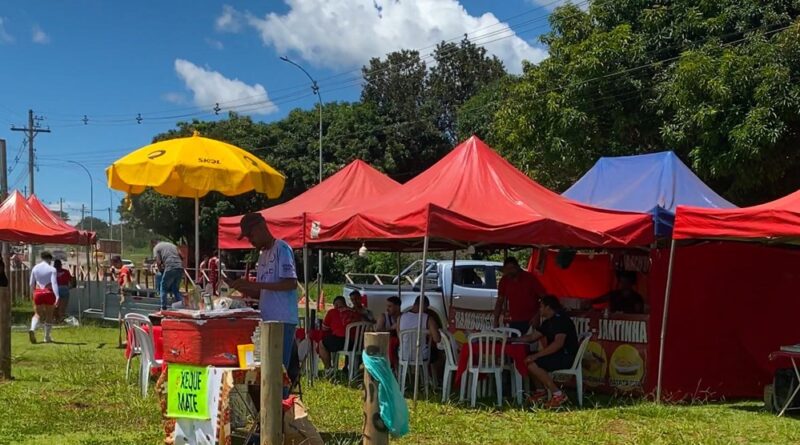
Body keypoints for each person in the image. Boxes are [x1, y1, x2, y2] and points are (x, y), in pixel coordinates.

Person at [231, 212, 299, 391]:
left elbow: (291, 283)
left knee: (278, 371)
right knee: (266, 371)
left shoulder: (282, 249)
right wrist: (243, 288)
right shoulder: (262, 257)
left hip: (282, 320)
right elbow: (265, 292)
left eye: (251, 235)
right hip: (267, 320)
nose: (250, 241)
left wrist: (255, 284)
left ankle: (281, 411)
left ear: (260, 228)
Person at [519, 296, 579, 408]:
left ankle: (558, 394)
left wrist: (536, 356)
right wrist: (512, 339)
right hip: (557, 355)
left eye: (541, 307)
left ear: (548, 307)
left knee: (532, 362)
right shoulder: (548, 322)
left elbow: (558, 344)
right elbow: (532, 337)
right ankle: (541, 392)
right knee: (528, 359)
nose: (539, 310)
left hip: (566, 357)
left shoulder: (561, 320)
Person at [493, 257, 546, 334]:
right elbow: (499, 301)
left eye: (510, 269)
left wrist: (537, 316)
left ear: (517, 267)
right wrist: (495, 320)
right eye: (506, 270)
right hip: (514, 320)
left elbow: (545, 298)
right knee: (515, 344)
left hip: (531, 319)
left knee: (530, 343)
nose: (508, 272)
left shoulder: (530, 278)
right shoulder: (504, 280)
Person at [397, 296, 442, 373]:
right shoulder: (428, 318)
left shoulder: (400, 318)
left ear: (414, 304)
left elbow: (399, 336)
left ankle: (408, 376)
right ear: (424, 306)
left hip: (404, 354)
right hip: (422, 355)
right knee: (438, 353)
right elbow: (437, 339)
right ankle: (435, 378)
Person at [318, 296, 362, 370]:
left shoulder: (333, 312)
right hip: (357, 343)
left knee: (322, 344)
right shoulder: (355, 312)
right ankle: (349, 369)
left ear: (336, 305)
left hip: (342, 341)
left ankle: (328, 369)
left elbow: (325, 328)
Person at [29, 251, 60, 344]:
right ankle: (46, 337)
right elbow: (54, 283)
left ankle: (32, 328)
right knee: (49, 315)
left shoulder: (35, 268)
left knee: (37, 314)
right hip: (48, 292)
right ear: (49, 259)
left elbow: (31, 283)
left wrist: (31, 293)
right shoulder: (52, 269)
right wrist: (57, 296)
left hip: (38, 292)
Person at [153, 240, 183, 310]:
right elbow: (182, 256)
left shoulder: (156, 248)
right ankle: (183, 304)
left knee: (163, 287)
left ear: (154, 244)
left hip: (170, 267)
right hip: (179, 267)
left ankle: (163, 307)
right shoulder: (172, 245)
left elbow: (158, 262)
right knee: (175, 289)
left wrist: (161, 270)